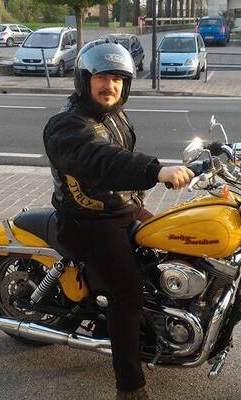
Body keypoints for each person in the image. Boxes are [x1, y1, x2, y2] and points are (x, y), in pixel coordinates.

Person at [43, 39, 194, 400]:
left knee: (179, 246)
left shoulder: (115, 116)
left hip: (121, 207)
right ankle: (130, 386)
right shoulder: (67, 126)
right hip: (87, 220)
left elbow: (121, 157)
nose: (109, 85)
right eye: (101, 77)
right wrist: (156, 171)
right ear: (84, 80)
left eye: (117, 79)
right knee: (126, 292)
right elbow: (101, 159)